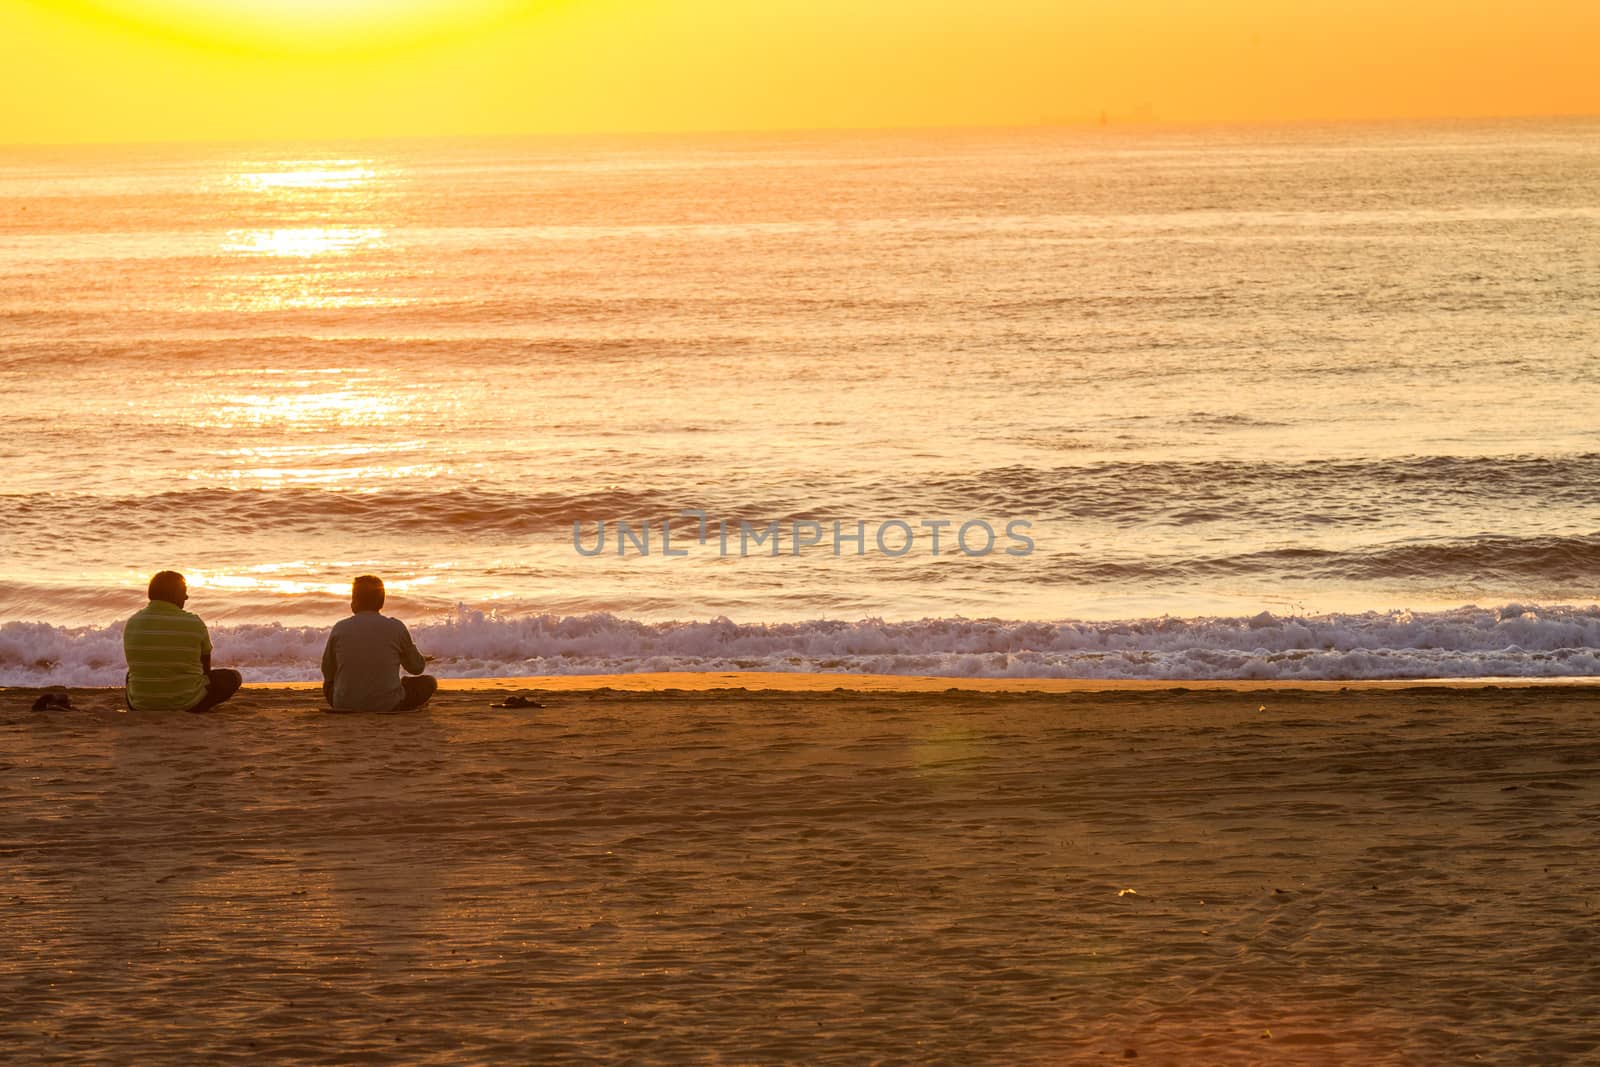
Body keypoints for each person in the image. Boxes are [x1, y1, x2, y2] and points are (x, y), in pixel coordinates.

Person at [123, 571, 242, 713]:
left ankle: (148, 697)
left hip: (139, 705)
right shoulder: (194, 622)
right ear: (174, 594)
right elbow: (205, 670)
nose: (186, 597)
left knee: (131, 674)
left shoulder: (132, 622)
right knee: (233, 677)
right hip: (188, 704)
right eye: (183, 592)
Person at [321, 575, 437, 712]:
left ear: (355, 602)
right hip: (388, 704)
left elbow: (327, 672)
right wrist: (417, 658)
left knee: (328, 685)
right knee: (429, 682)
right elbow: (416, 668)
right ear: (381, 602)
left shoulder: (340, 628)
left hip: (343, 704)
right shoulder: (395, 627)